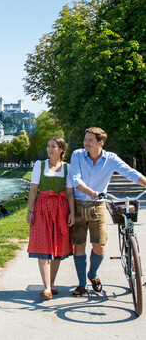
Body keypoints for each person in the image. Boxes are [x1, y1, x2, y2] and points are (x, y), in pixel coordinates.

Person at [69, 127, 146, 296]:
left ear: (100, 142)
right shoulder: (77, 155)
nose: (86, 143)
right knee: (79, 246)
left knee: (100, 246)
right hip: (79, 204)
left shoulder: (110, 158)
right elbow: (75, 179)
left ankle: (93, 274)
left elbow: (130, 173)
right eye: (85, 139)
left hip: (98, 206)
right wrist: (90, 192)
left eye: (90, 140)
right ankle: (82, 284)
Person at [26, 136, 75, 299]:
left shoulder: (67, 168)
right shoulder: (39, 165)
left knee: (58, 246)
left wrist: (72, 213)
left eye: (53, 146)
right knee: (43, 246)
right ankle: (46, 287)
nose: (49, 149)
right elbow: (33, 190)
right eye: (48, 146)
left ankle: (52, 283)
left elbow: (69, 192)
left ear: (61, 149)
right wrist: (30, 211)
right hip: (42, 208)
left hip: (61, 208)